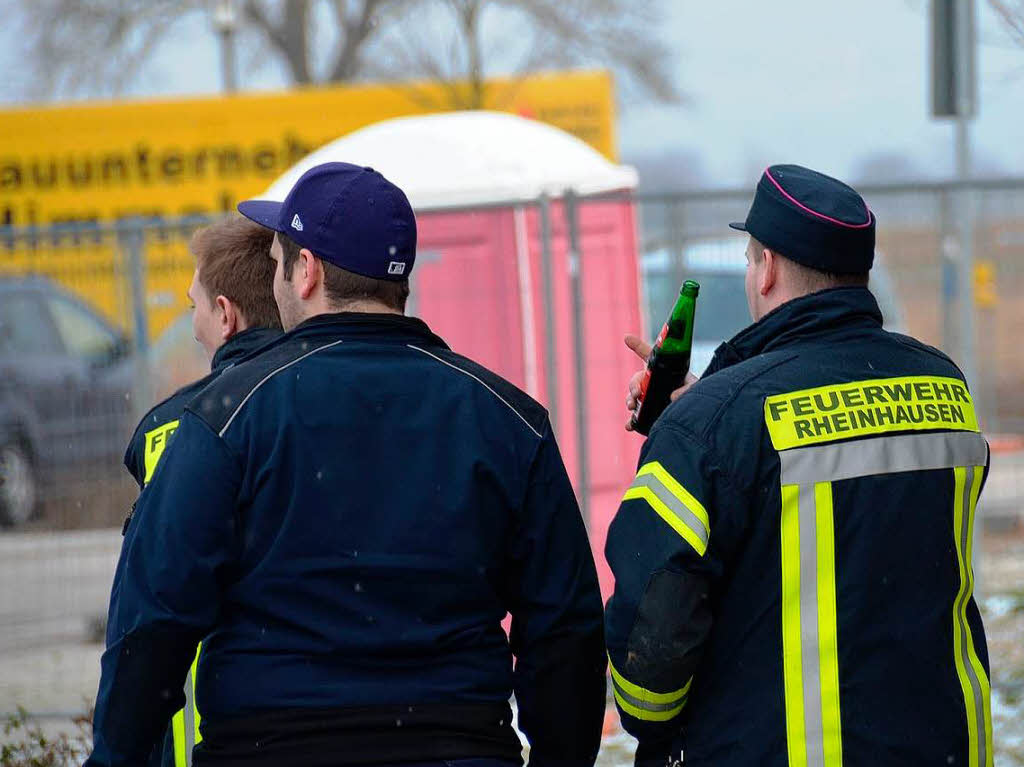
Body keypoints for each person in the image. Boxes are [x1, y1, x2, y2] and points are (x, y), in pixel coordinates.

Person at [87, 162, 606, 767]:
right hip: (459, 747)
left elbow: (152, 625)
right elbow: (565, 631)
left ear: (305, 271)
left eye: (281, 259)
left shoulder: (226, 417)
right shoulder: (507, 419)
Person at [604, 164, 992, 766]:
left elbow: (651, 667)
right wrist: (704, 411)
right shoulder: (945, 389)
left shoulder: (712, 426)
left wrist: (695, 425)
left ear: (768, 270)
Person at [121, 214, 282, 767]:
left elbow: (150, 614)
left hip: (206, 730)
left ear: (224, 314)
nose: (191, 324)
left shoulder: (177, 427)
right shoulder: (332, 400)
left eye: (194, 305)